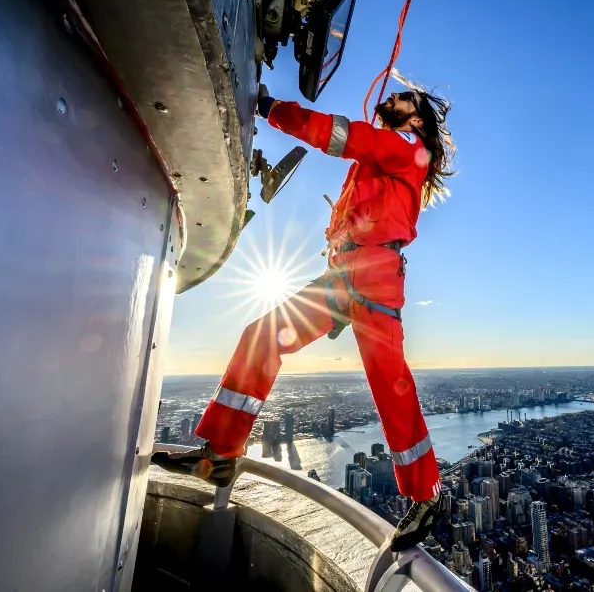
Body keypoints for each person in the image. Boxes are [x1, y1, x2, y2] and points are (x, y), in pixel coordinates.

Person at [152, 83, 456, 552]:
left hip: (374, 274)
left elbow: (341, 135)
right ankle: (222, 454)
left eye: (404, 100)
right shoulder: (383, 159)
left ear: (415, 121)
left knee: (388, 379)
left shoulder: (404, 147)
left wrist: (274, 110)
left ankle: (425, 493)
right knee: (263, 334)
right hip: (347, 273)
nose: (393, 99)